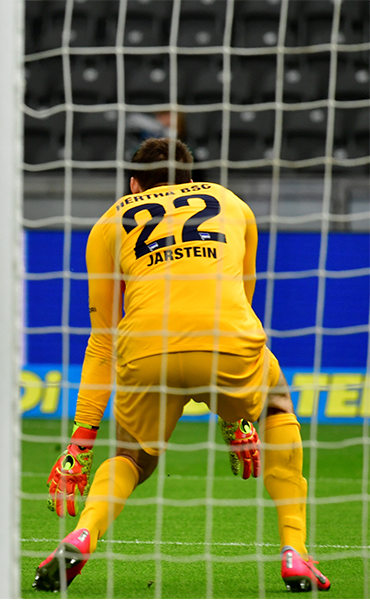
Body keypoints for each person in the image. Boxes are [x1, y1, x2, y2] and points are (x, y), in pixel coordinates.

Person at [32, 138, 330, 593]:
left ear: (134, 183)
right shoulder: (233, 204)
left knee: (133, 456)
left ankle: (84, 532)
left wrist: (80, 444)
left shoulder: (111, 221)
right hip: (229, 346)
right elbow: (241, 306)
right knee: (276, 405)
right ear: (191, 178)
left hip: (147, 350)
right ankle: (296, 551)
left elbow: (103, 340)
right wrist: (236, 418)